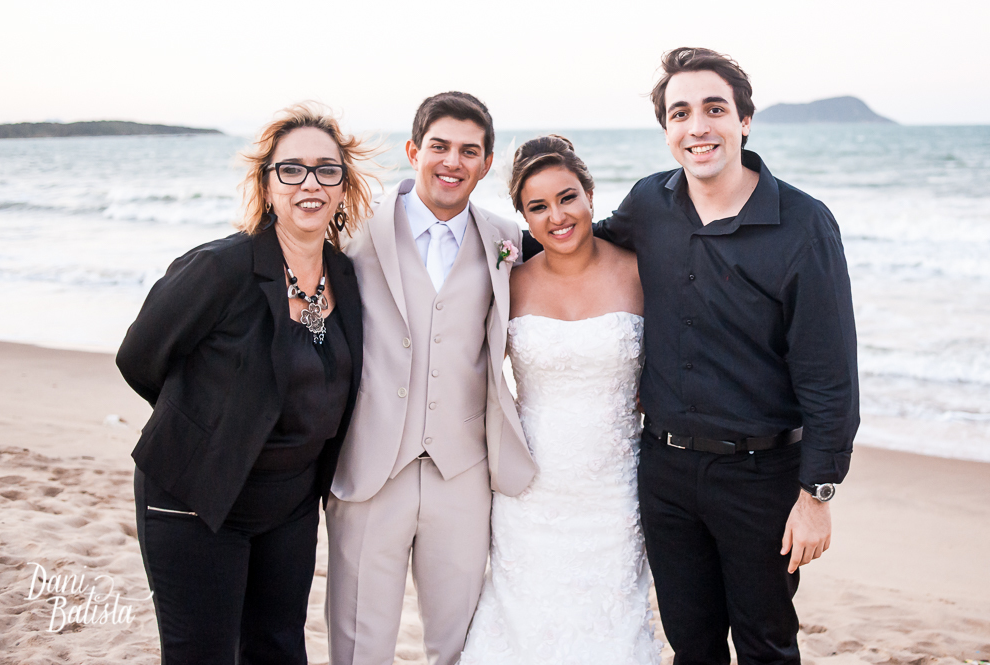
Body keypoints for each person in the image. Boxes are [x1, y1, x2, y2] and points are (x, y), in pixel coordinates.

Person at [593, 48, 860, 665]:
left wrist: (817, 496)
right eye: (680, 113)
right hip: (663, 471)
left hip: (761, 479)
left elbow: (830, 378)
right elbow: (577, 246)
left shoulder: (804, 225)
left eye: (714, 109)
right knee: (691, 644)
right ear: (666, 131)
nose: (697, 127)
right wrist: (484, 243)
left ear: (744, 120)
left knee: (766, 644)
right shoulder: (649, 204)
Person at [116, 102, 375, 664]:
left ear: (343, 185)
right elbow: (138, 357)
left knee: (279, 649)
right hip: (197, 496)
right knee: (202, 654)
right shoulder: (218, 269)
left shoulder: (348, 277)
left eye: (327, 170)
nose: (311, 183)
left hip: (291, 504)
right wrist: (214, 424)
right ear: (268, 182)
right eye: (292, 169)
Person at [324, 91, 537, 665]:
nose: (452, 162)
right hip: (370, 470)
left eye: (470, 151)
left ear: (487, 163)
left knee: (460, 644)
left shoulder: (508, 242)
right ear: (415, 150)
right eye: (439, 146)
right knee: (357, 644)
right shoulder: (354, 235)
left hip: (462, 472)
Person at [459, 136, 661, 664]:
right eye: (538, 207)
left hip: (614, 494)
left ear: (591, 194)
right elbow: (466, 371)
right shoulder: (510, 284)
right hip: (528, 490)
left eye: (567, 197)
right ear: (523, 218)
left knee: (610, 627)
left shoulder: (641, 273)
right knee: (523, 623)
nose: (557, 216)